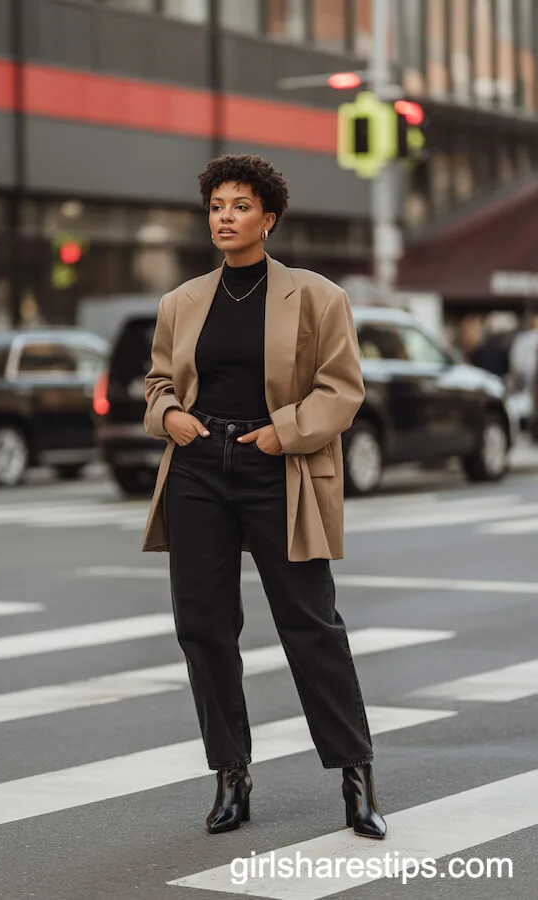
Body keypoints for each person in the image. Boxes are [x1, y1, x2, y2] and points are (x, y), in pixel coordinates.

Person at [142, 154, 386, 840]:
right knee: (205, 629)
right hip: (196, 467)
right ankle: (232, 775)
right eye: (217, 205)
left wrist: (286, 434)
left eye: (240, 205)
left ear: (267, 219)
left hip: (276, 464)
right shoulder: (181, 302)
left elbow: (341, 387)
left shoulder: (316, 296)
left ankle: (356, 772)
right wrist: (169, 418)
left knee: (311, 623)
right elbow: (158, 382)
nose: (226, 216)